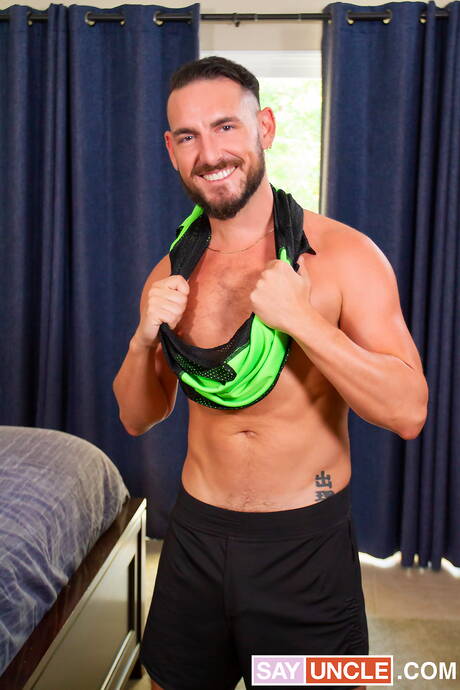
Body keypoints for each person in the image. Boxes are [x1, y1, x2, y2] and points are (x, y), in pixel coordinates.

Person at [113, 56, 428, 690]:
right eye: (188, 136)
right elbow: (138, 416)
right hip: (196, 536)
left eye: (226, 127)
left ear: (265, 128)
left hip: (305, 545)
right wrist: (144, 340)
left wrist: (306, 324)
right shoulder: (172, 270)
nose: (209, 154)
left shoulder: (343, 255)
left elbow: (408, 411)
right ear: (171, 151)